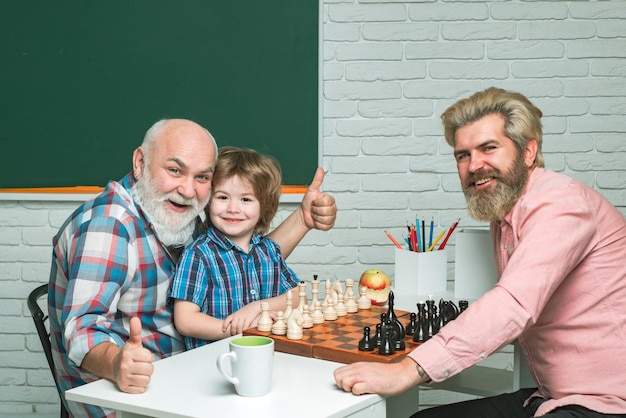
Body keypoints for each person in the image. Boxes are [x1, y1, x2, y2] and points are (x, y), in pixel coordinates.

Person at [334, 87, 626, 418]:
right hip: (553, 395)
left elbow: (514, 303)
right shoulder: (505, 215)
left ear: (528, 151)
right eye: (463, 155)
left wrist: (407, 370)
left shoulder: (561, 205)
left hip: (606, 403)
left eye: (489, 148)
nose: (474, 165)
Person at [48, 119, 337, 418]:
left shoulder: (176, 210)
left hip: (193, 372)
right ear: (140, 162)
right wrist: (117, 363)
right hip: (127, 396)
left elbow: (245, 261)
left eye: (202, 177)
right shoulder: (109, 226)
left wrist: (302, 220)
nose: (188, 189)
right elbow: (82, 328)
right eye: (175, 170)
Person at [170, 146, 301, 348]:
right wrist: (238, 329)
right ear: (207, 201)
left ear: (263, 206)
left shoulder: (269, 251)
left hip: (265, 355)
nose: (233, 208)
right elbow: (185, 320)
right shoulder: (199, 254)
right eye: (222, 197)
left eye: (246, 199)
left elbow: (297, 296)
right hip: (211, 361)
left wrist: (257, 308)